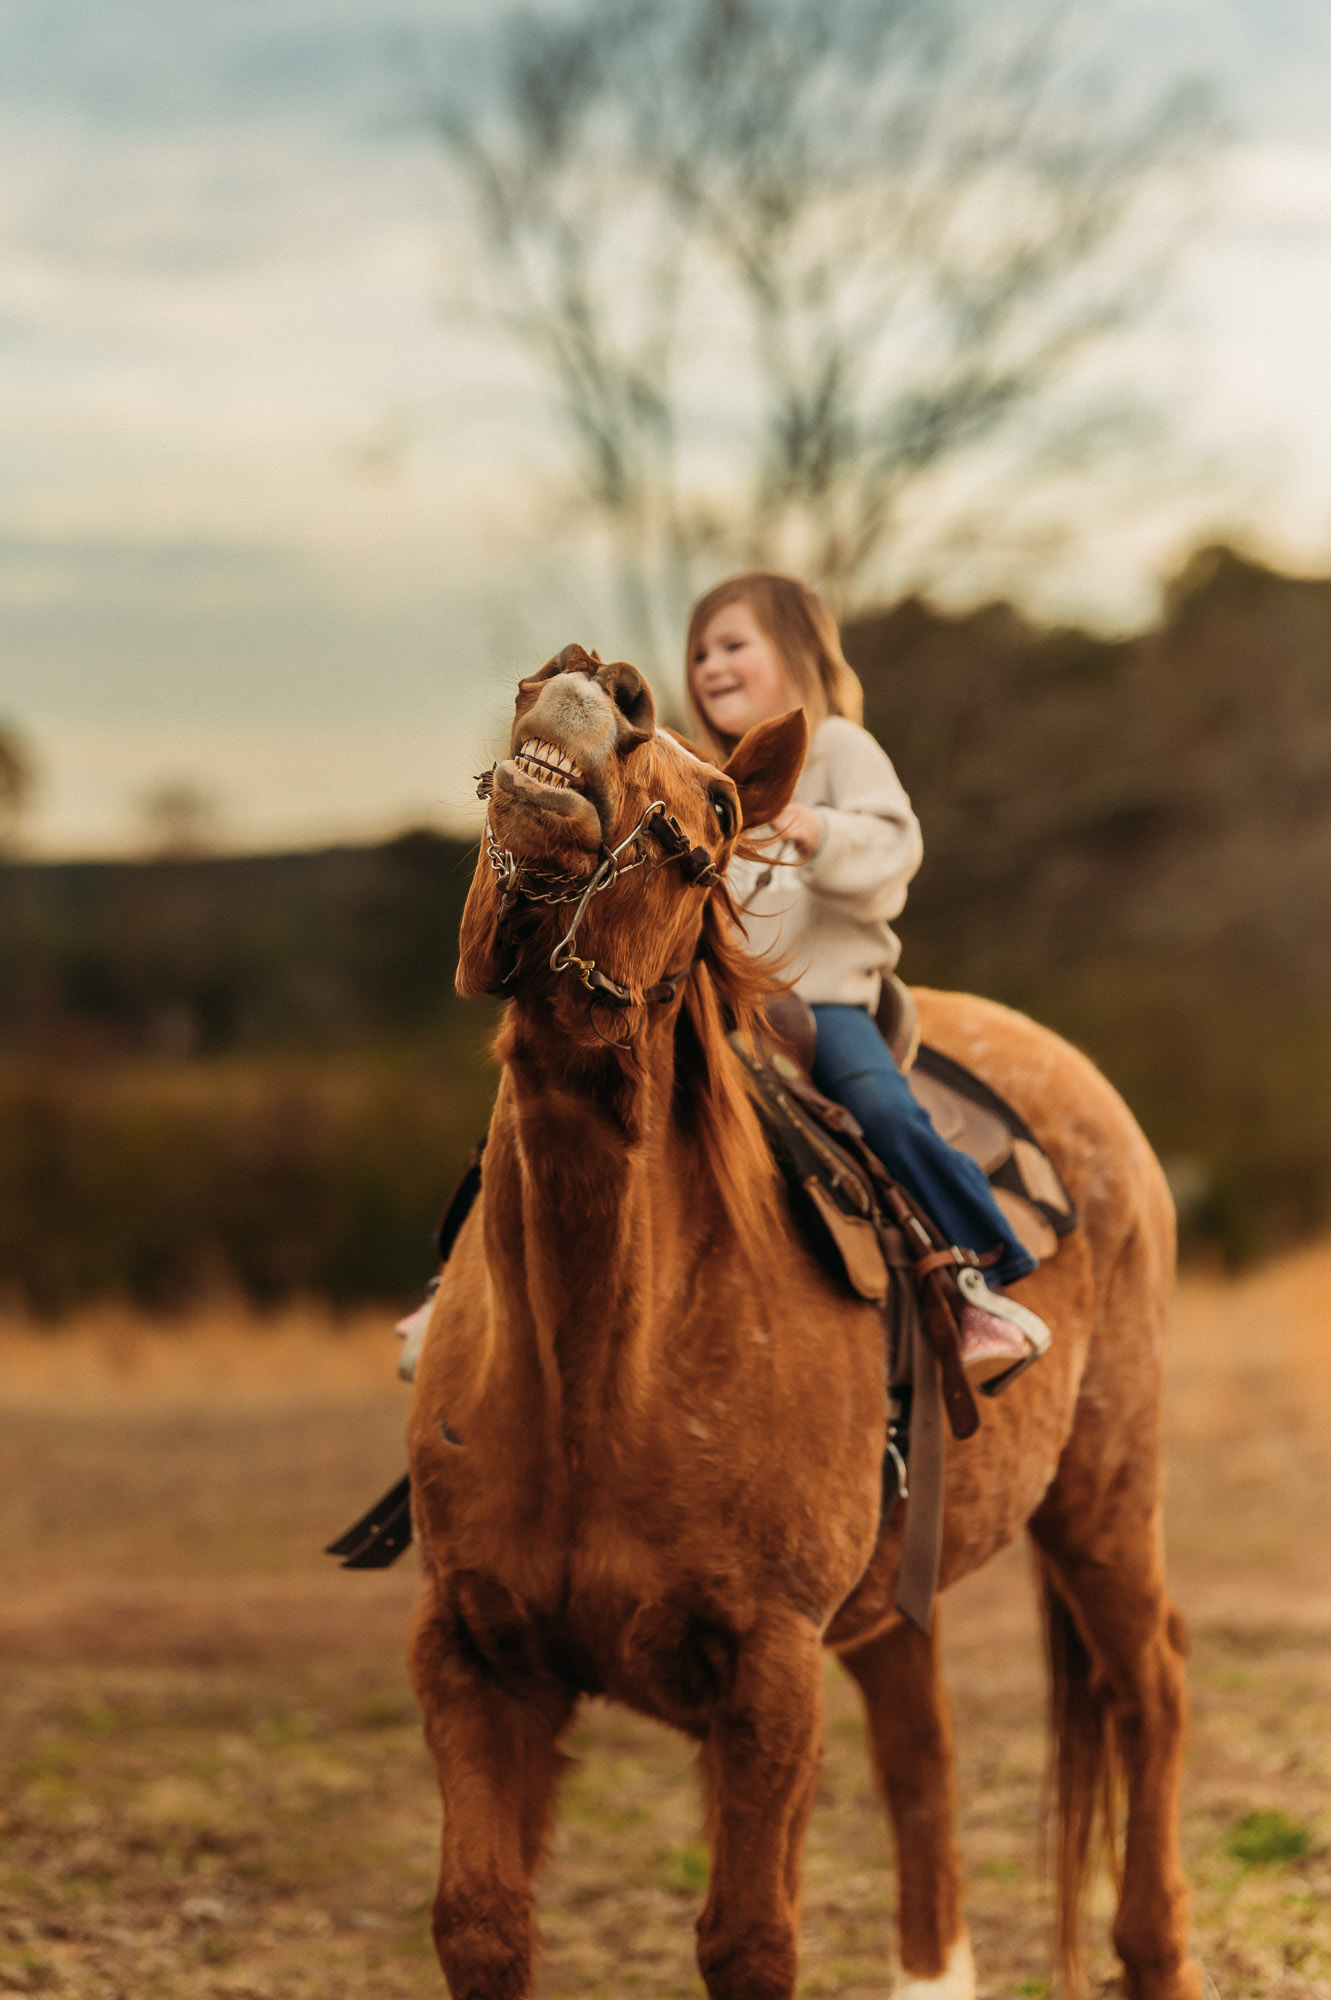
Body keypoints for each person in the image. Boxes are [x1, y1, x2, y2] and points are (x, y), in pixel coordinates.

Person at [686, 571, 1050, 1387]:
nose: (710, 664)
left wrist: (811, 827)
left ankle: (970, 1279)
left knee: (881, 1109)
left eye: (733, 644)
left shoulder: (839, 747)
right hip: (721, 1011)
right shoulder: (699, 780)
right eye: (700, 650)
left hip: (823, 1005)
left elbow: (893, 847)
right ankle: (468, 1281)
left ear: (799, 653)